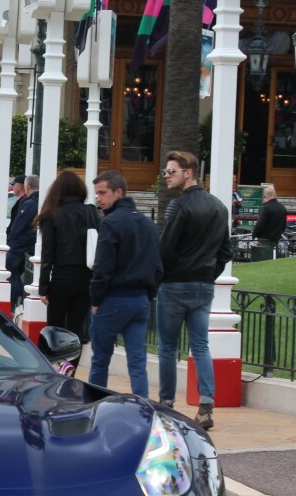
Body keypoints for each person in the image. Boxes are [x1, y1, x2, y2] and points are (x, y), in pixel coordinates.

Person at [157, 151, 232, 429]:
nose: (166, 176)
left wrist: (162, 276)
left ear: (188, 172)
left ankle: (166, 404)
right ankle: (206, 404)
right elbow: (226, 251)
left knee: (167, 347)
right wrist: (208, 273)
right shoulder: (218, 207)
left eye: (171, 171)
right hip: (203, 285)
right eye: (165, 171)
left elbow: (165, 250)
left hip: (175, 285)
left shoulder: (179, 207)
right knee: (200, 345)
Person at [87, 169, 162, 396]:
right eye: (97, 193)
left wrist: (96, 298)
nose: (98, 198)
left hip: (113, 298)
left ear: (118, 192)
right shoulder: (148, 224)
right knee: (137, 362)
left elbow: (103, 266)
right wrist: (148, 294)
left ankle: (95, 403)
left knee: (100, 360)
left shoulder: (111, 223)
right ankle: (143, 407)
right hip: (139, 300)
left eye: (102, 193)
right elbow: (158, 266)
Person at [35, 170, 99, 351]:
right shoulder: (90, 212)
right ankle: (71, 369)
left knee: (54, 330)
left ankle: (56, 370)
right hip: (86, 278)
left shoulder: (52, 214)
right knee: (76, 330)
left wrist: (44, 288)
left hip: (61, 278)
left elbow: (47, 254)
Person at [7, 174, 39, 312]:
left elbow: (18, 226)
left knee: (7, 269)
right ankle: (16, 300)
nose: (13, 187)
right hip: (25, 245)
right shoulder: (35, 200)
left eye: (14, 185)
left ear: (26, 186)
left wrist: (11, 242)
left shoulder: (30, 202)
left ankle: (15, 300)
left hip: (21, 245)